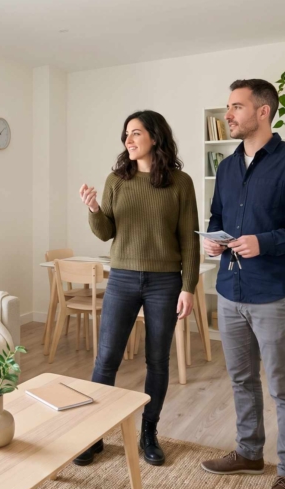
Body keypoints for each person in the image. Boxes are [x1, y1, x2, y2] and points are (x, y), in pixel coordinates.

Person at [199, 79, 285, 489]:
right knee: (241, 381)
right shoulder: (228, 166)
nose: (228, 115)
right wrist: (213, 241)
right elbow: (218, 215)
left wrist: (266, 242)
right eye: (228, 106)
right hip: (231, 291)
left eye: (236, 106)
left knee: (284, 389)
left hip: (275, 294)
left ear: (264, 112)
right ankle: (249, 453)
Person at [74, 109, 201, 467]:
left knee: (157, 361)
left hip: (165, 282)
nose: (128, 140)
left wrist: (188, 286)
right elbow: (106, 231)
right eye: (126, 135)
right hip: (123, 279)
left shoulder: (181, 182)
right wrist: (94, 207)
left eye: (136, 133)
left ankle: (149, 432)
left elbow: (189, 241)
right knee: (106, 359)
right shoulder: (117, 179)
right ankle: (94, 434)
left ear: (155, 137)